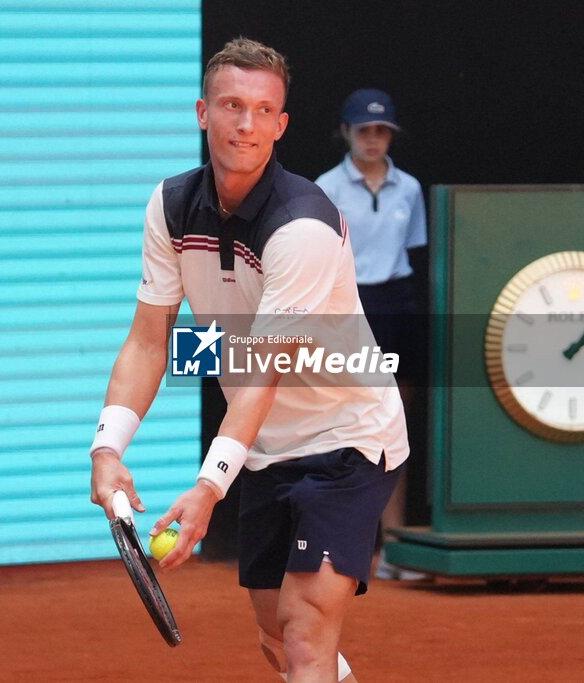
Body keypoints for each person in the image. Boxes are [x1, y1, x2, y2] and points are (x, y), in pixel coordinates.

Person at [89, 38, 409, 683]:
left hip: (347, 435)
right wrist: (106, 449)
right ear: (202, 112)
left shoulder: (304, 229)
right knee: (275, 637)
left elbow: (262, 372)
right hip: (262, 443)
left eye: (264, 111)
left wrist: (209, 489)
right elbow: (151, 339)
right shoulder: (172, 206)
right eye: (232, 105)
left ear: (281, 125)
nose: (246, 124)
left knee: (304, 632)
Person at [315, 89, 427, 581]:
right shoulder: (324, 188)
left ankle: (395, 550)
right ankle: (340, 547)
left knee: (394, 427)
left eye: (382, 131)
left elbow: (415, 251)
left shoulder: (411, 188)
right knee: (343, 427)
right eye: (364, 130)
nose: (374, 139)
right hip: (346, 310)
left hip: (398, 307)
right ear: (346, 133)